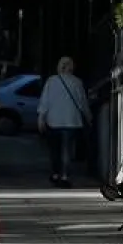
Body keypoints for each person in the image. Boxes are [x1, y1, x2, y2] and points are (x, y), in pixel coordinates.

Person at [37, 55, 92, 188]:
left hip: (53, 121)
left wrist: (41, 118)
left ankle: (55, 174)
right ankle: (65, 176)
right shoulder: (77, 82)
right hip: (71, 122)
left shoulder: (51, 81)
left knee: (54, 150)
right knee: (67, 150)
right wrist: (89, 117)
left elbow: (45, 101)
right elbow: (83, 103)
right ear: (71, 67)